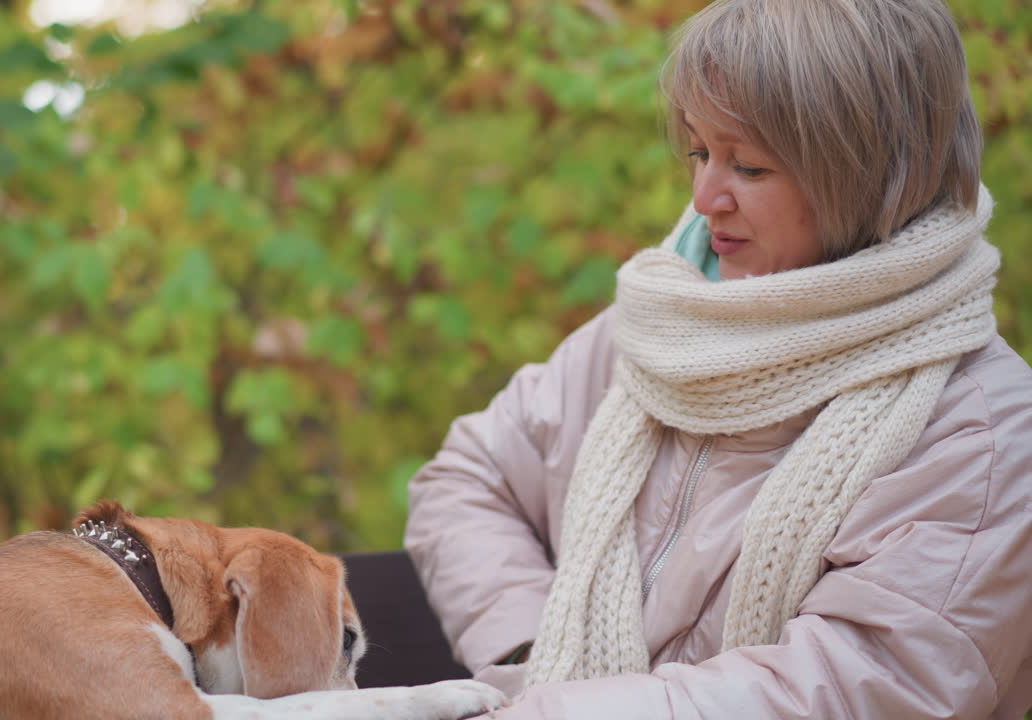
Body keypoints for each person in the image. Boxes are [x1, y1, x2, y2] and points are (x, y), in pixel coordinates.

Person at [403, 1, 1032, 718]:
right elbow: (468, 477)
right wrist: (530, 652)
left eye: (750, 166)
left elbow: (863, 688)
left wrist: (555, 710)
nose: (704, 198)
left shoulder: (983, 430)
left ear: (873, 174)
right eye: (699, 152)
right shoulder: (655, 335)